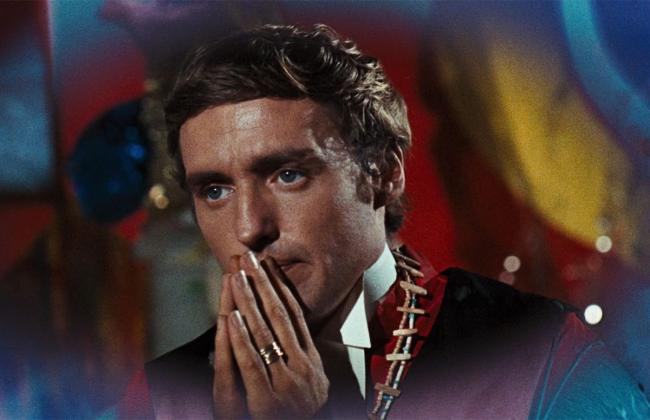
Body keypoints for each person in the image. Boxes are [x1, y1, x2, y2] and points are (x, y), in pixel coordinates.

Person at [118, 24, 650, 419]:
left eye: (287, 175)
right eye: (215, 190)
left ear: (383, 174)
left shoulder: (540, 357)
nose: (249, 227)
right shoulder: (160, 398)